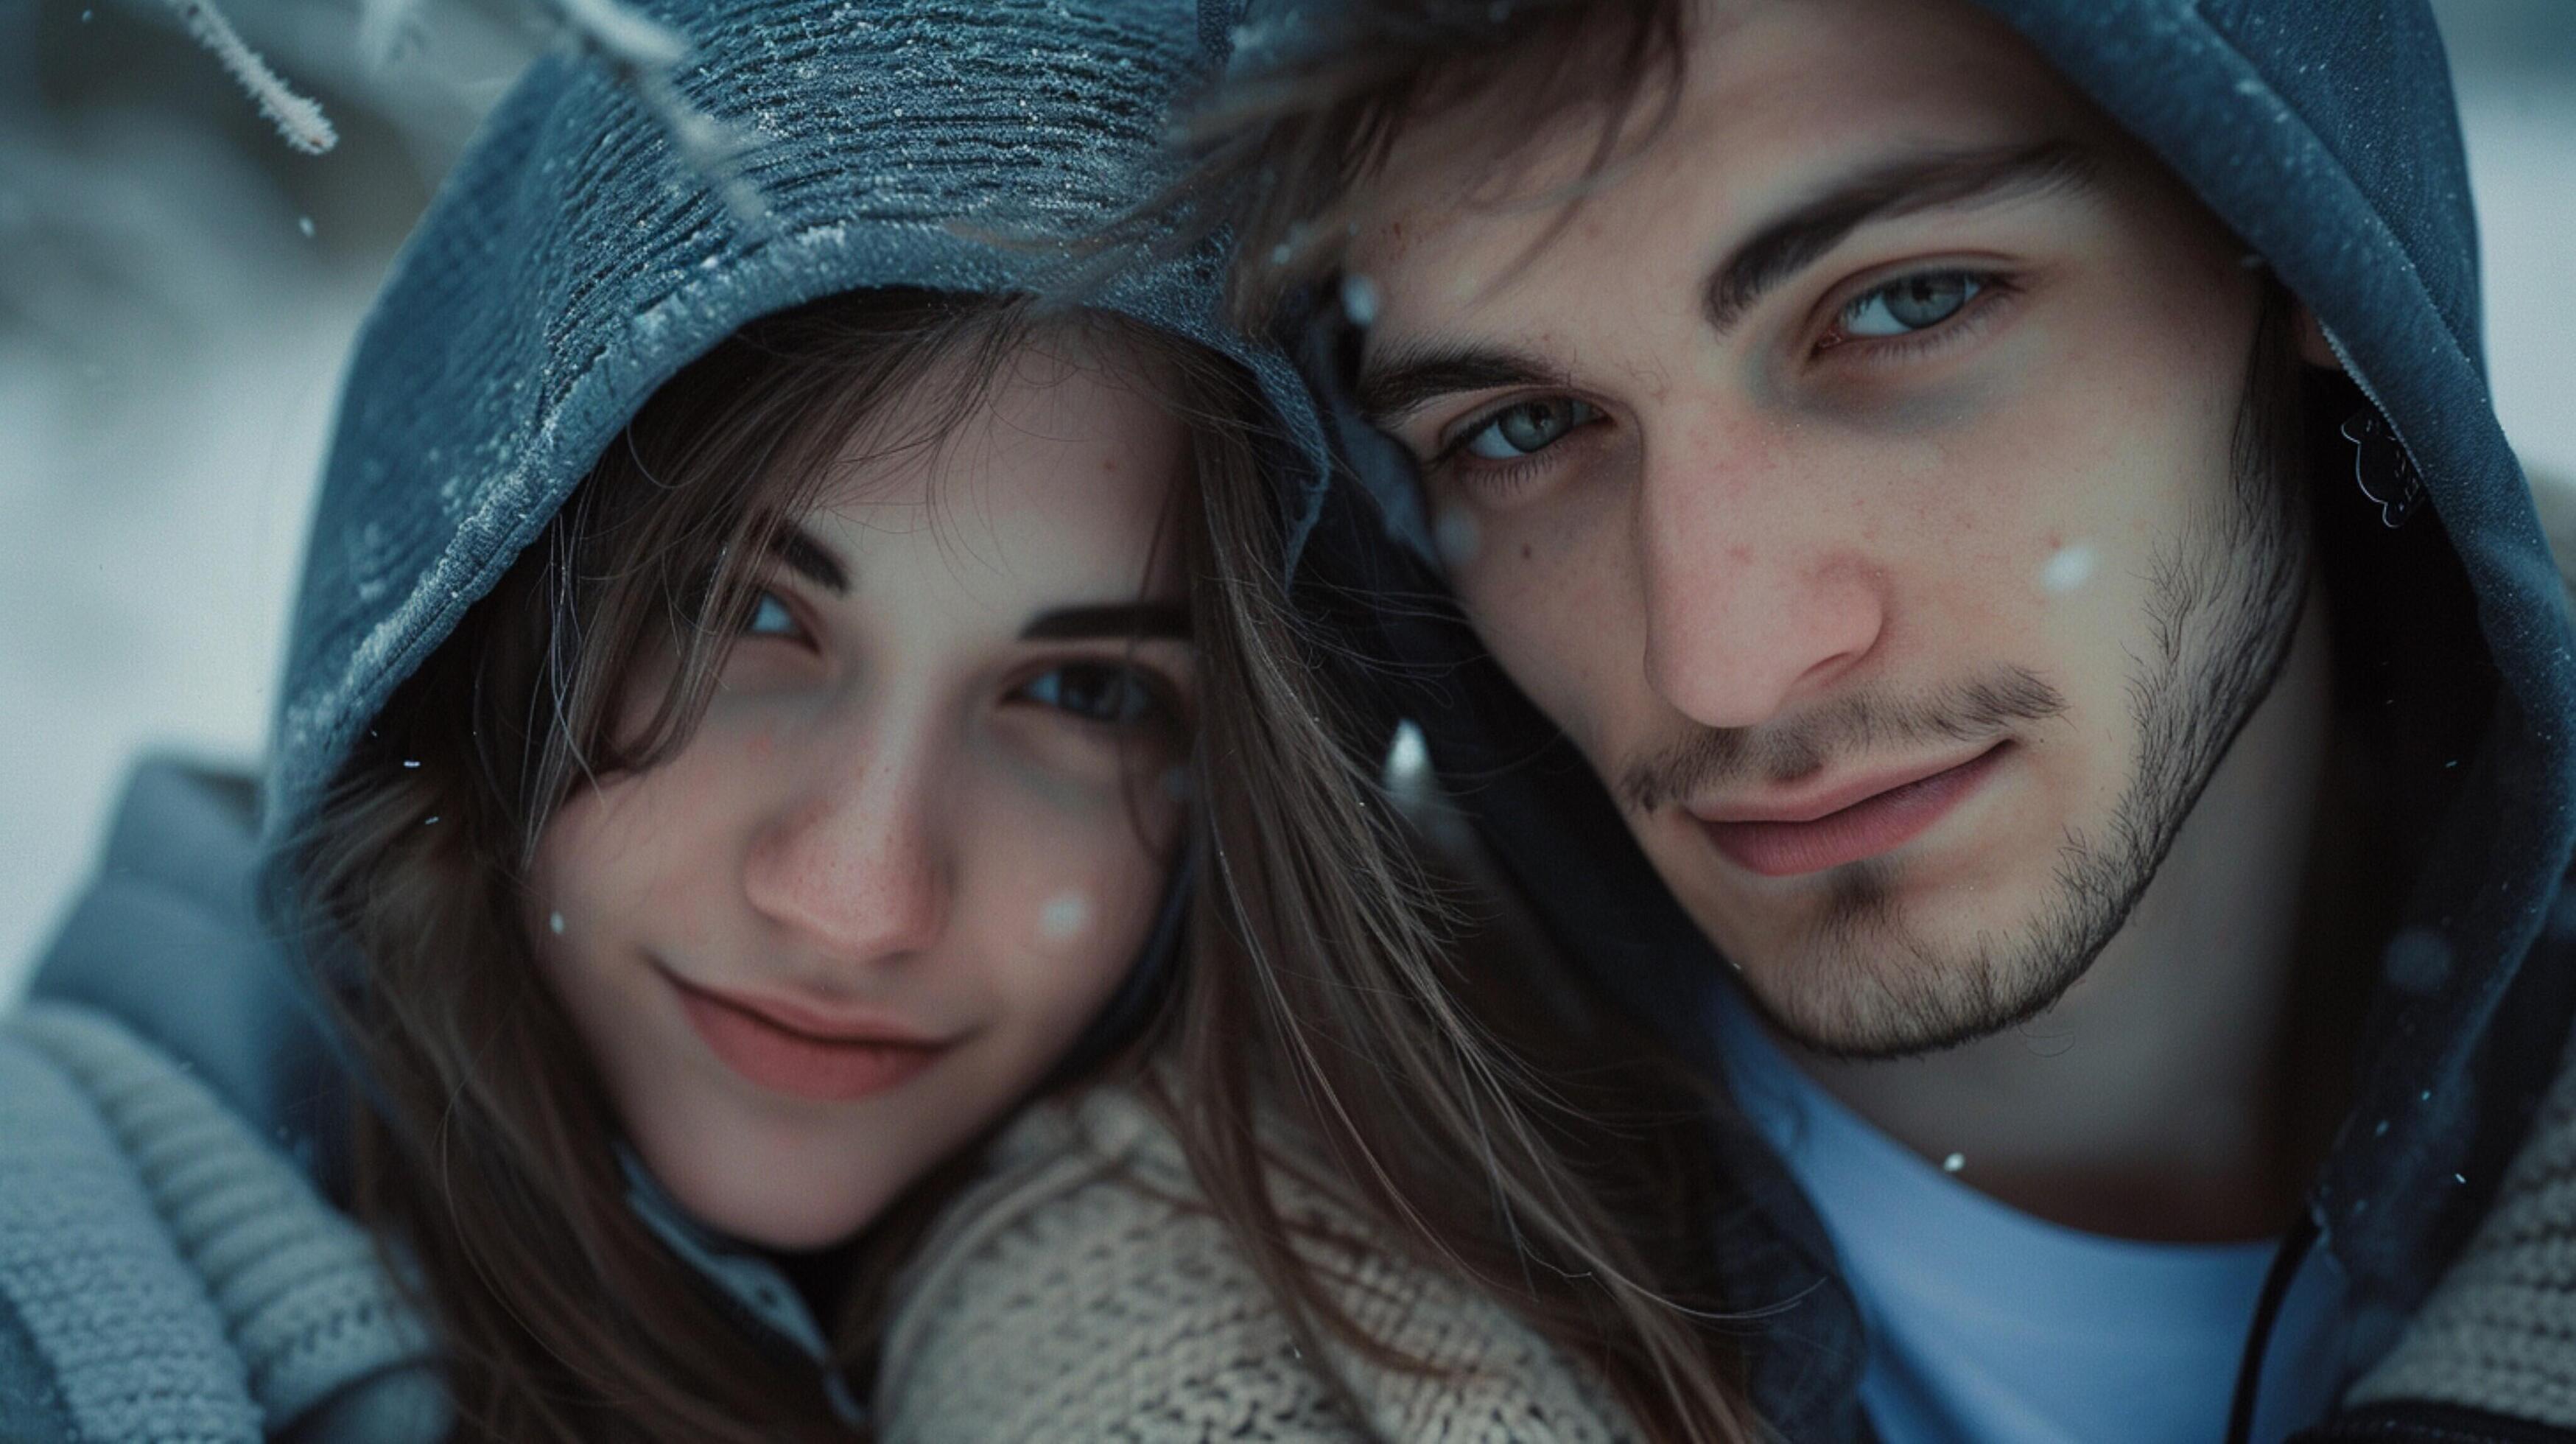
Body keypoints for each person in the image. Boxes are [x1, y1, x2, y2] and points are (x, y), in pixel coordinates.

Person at [0, 1, 1765, 1440]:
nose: (858, 894)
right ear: (484, 602)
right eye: (742, 614)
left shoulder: (1597, 1225)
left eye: (1084, 692)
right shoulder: (67, 1265)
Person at [1176, 0, 2576, 1440]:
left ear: (2301, 250)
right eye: (1521, 428)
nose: (1726, 662)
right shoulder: (1200, 1237)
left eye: (1906, 302)